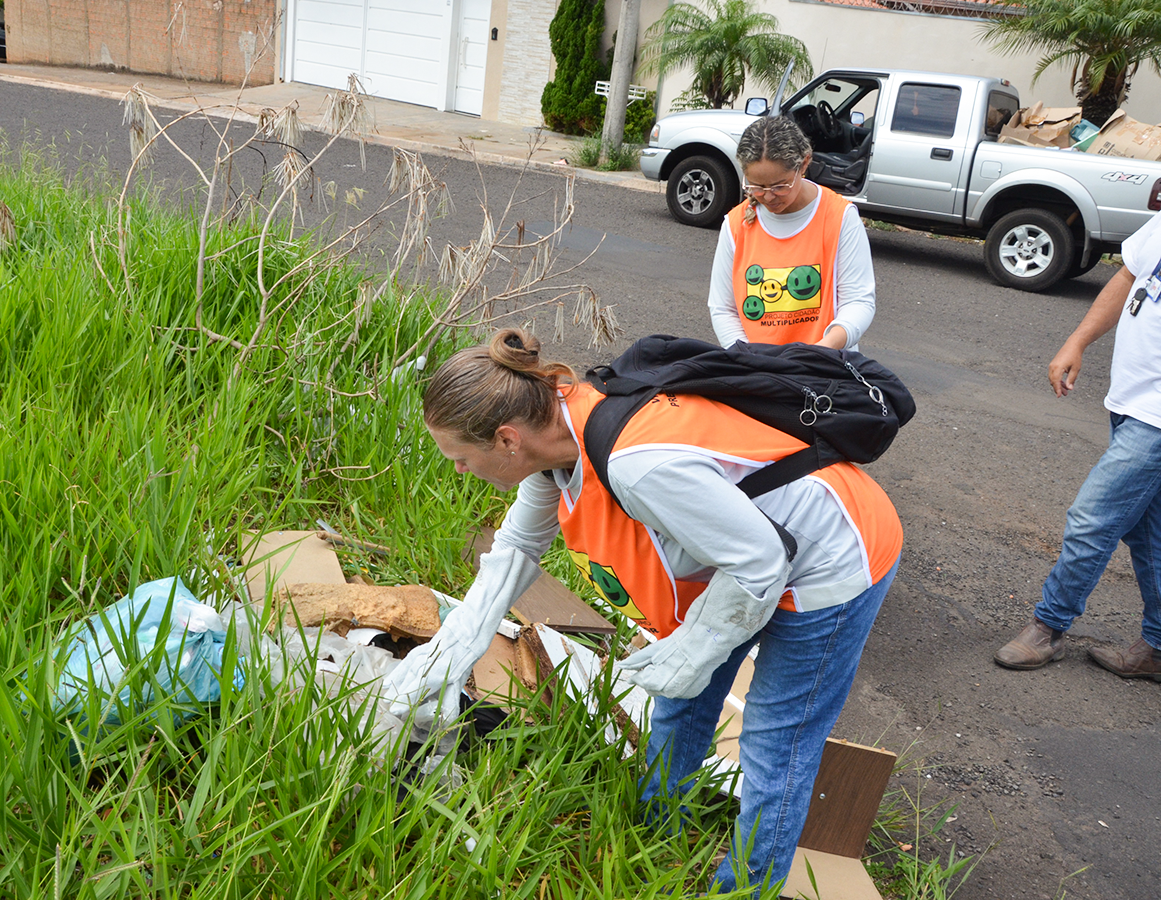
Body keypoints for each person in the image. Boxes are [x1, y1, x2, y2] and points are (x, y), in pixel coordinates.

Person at [384, 328, 903, 892]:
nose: (459, 470)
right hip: (738, 551)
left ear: (507, 439)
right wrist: (449, 653)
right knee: (679, 703)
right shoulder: (558, 444)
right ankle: (657, 838)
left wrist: (693, 649)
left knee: (776, 743)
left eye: (460, 458)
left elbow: (761, 564)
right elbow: (515, 552)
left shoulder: (638, 465)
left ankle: (743, 889)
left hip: (834, 553)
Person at [994, 212, 1161, 681]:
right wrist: (1078, 341)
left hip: (1156, 419)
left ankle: (1048, 628)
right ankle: (1157, 648)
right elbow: (1130, 276)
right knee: (1149, 536)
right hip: (1131, 400)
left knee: (1094, 519)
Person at [709, 116, 875, 350]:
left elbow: (858, 302)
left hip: (825, 365)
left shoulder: (839, 217)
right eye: (757, 186)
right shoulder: (735, 224)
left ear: (804, 164)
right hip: (758, 371)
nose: (767, 196)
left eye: (779, 186)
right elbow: (723, 308)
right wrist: (749, 360)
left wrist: (821, 351)